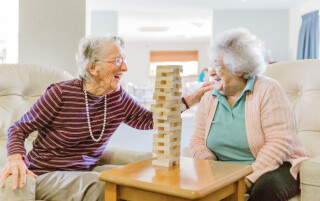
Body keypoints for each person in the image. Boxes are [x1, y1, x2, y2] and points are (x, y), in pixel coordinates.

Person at [0, 36, 214, 201]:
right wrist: (15, 158)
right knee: (106, 184)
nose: (125, 67)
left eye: (125, 60)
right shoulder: (61, 93)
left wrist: (190, 99)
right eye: (118, 60)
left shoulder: (117, 97)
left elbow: (148, 119)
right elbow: (18, 129)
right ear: (92, 67)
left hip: (84, 170)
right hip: (46, 173)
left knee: (135, 181)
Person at [189, 28, 309, 201]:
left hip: (276, 165)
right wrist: (211, 167)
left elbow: (279, 143)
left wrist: (246, 180)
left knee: (266, 192)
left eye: (217, 65)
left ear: (238, 68)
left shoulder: (268, 89)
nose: (211, 73)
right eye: (211, 65)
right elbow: (197, 140)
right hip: (227, 169)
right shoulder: (209, 96)